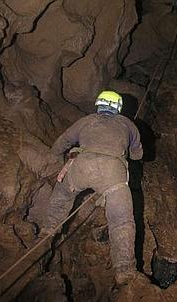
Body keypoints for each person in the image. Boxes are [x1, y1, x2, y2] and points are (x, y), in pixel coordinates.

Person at [37, 90, 143, 285]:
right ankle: (124, 270)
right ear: (119, 108)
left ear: (98, 104)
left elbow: (63, 141)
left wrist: (53, 155)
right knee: (121, 221)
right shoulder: (128, 124)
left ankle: (47, 231)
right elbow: (137, 155)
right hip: (113, 173)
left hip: (82, 165)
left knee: (62, 196)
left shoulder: (87, 120)